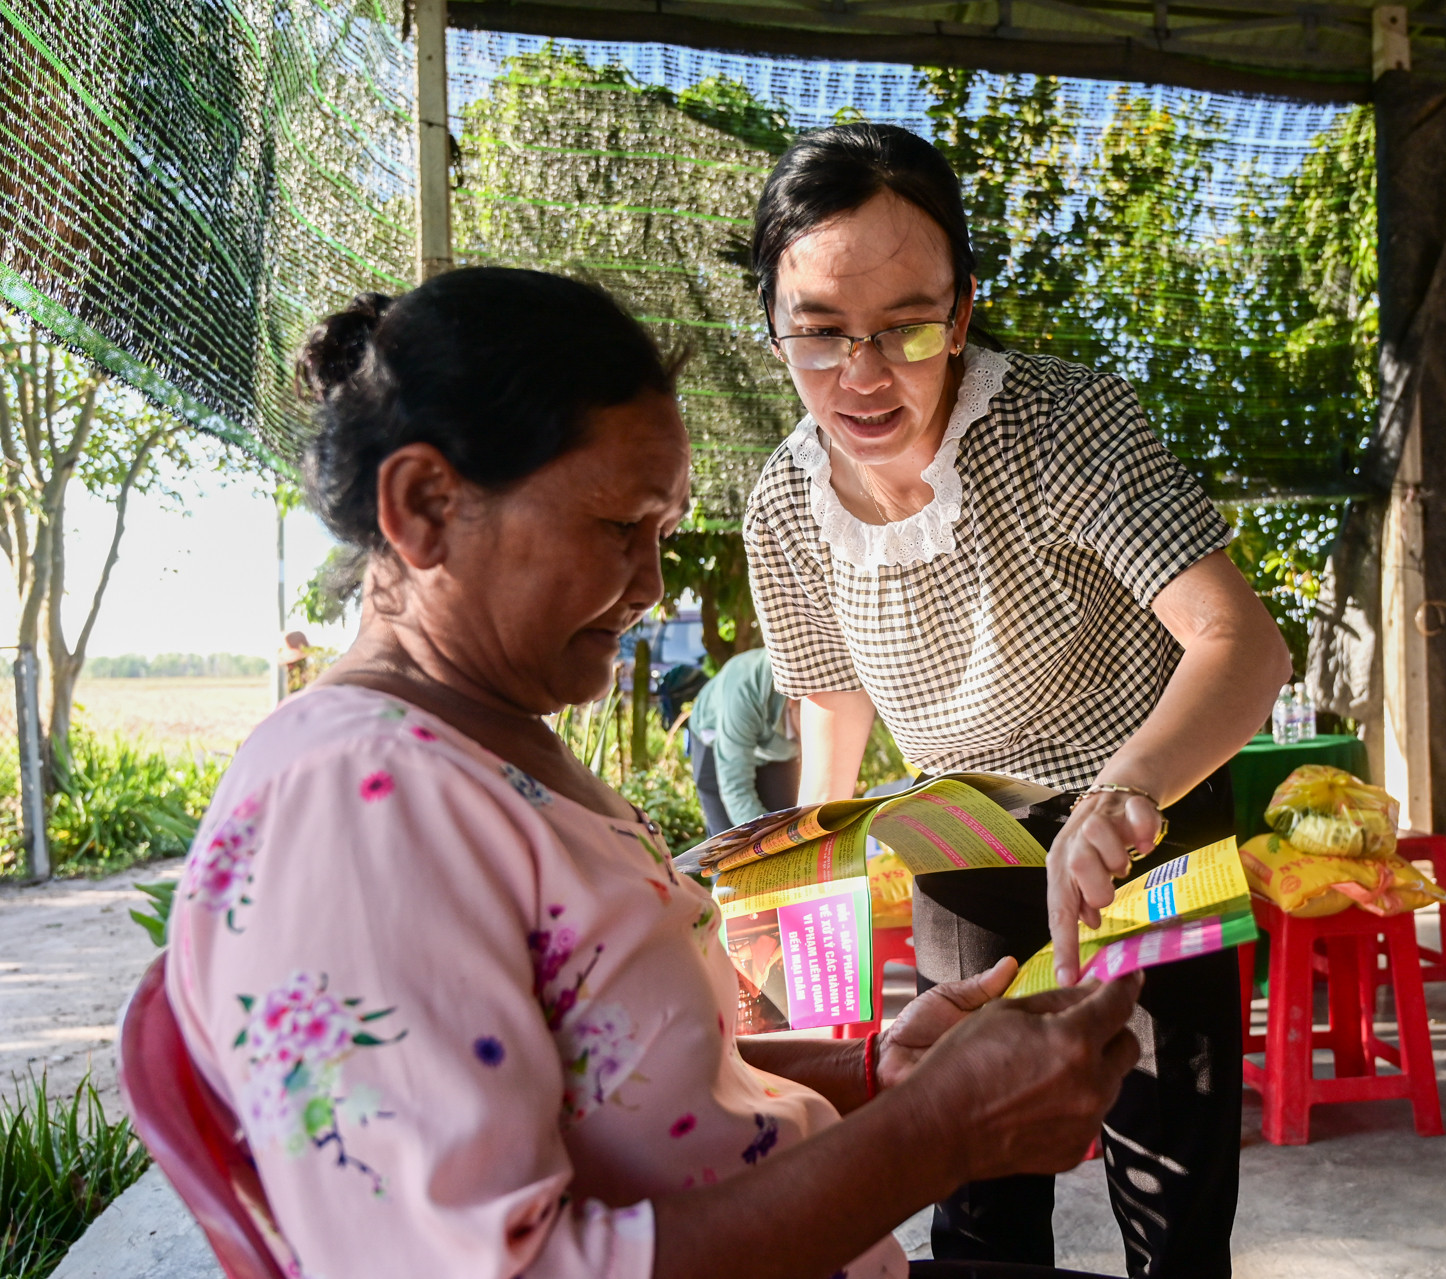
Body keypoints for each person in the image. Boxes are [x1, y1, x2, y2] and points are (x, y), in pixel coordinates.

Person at [164, 266, 1145, 1279]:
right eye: (615, 527)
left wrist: (875, 1068)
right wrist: (936, 1134)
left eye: (664, 532)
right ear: (423, 505)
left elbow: (621, 1075)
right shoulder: (359, 809)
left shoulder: (489, 749)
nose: (652, 585)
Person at [743, 125, 1292, 1278]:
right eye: (821, 333)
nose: (862, 376)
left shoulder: (1061, 425)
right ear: (774, 321)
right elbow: (832, 709)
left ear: (965, 303)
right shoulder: (781, 508)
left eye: (906, 326)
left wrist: (1123, 794)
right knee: (975, 1187)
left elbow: (1240, 643)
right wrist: (797, 892)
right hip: (964, 846)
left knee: (1171, 1188)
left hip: (1147, 824)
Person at [686, 645, 801, 837]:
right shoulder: (745, 692)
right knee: (728, 840)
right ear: (793, 703)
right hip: (716, 740)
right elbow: (736, 789)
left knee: (786, 821)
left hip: (775, 747)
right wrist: (770, 841)